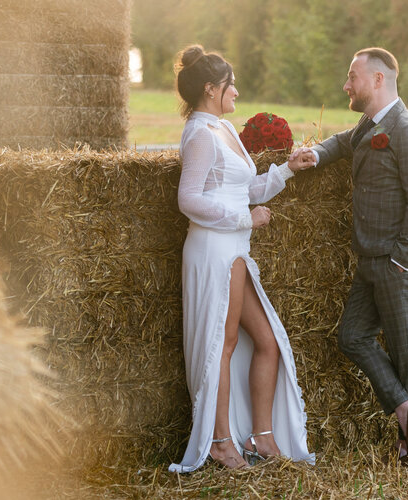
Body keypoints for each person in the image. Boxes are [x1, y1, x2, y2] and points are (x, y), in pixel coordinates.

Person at [292, 47, 408, 465]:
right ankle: (406, 411)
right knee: (352, 337)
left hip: (398, 259)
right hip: (371, 256)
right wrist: (317, 154)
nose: (346, 85)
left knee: (404, 346)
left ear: (378, 80)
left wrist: (401, 259)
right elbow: (343, 142)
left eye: (352, 77)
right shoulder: (370, 124)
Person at [168, 45, 317, 473]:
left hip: (234, 249)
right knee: (225, 344)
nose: (237, 89)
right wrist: (244, 219)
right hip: (216, 251)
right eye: (230, 83)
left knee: (266, 341)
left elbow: (245, 188)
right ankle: (218, 442)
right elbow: (188, 199)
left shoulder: (223, 129)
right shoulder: (199, 133)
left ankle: (262, 437)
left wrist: (287, 169)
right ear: (211, 89)